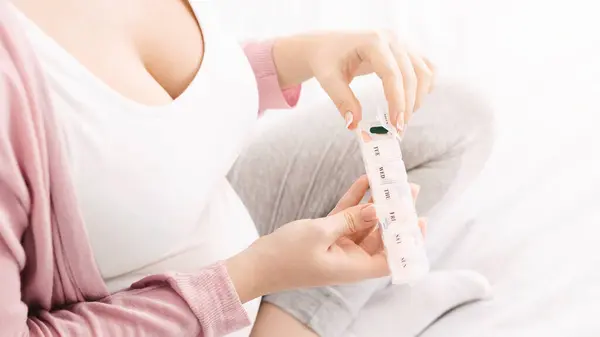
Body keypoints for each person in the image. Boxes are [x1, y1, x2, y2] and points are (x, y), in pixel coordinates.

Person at [0, 1, 494, 336]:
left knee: (453, 117)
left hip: (219, 230)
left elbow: (140, 128)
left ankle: (293, 317)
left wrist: (295, 57)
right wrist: (248, 277)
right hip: (154, 312)